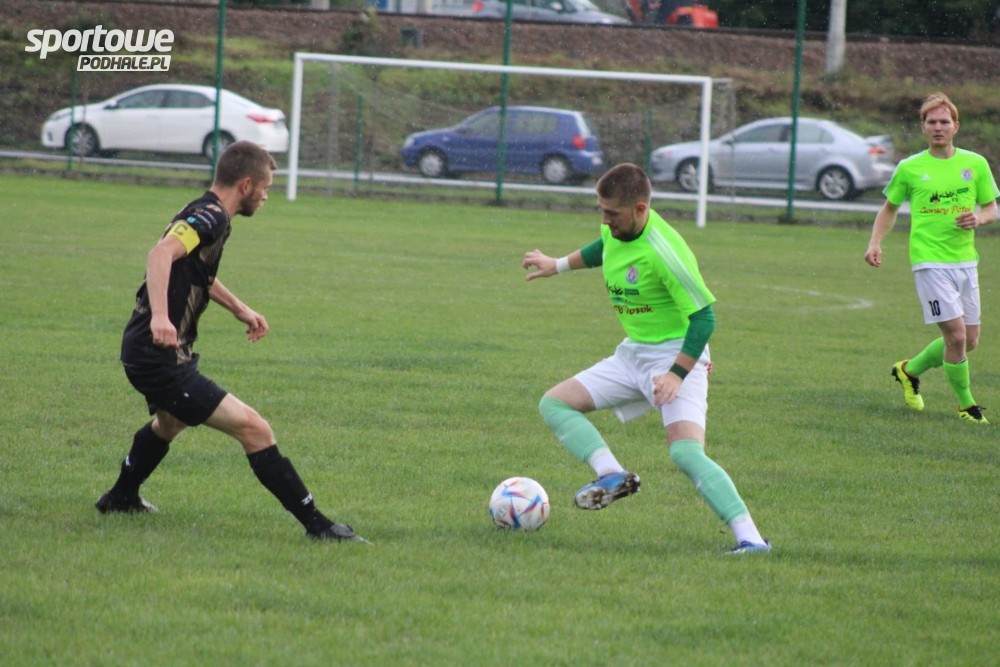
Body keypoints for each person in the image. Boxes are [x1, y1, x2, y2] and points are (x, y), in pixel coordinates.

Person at [96, 140, 365, 542]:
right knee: (255, 429)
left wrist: (239, 308)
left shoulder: (202, 210)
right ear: (246, 185)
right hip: (158, 356)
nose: (266, 196)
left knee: (170, 422)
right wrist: (161, 317)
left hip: (149, 351)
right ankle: (318, 526)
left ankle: (120, 497)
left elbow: (196, 270)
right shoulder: (212, 217)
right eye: (266, 188)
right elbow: (160, 255)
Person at [522, 163, 770, 554]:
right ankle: (611, 474)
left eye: (612, 213)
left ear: (640, 209)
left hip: (676, 356)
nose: (605, 220)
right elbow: (604, 247)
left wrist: (676, 373)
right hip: (633, 354)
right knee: (554, 403)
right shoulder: (615, 229)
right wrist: (558, 265)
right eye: (601, 211)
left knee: (685, 452)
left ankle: (751, 539)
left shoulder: (665, 252)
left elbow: (705, 318)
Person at [864, 92, 998, 424]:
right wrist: (875, 242)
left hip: (965, 261)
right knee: (956, 336)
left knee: (970, 340)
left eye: (944, 122)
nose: (938, 127)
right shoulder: (910, 168)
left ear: (956, 126)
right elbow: (889, 208)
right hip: (929, 261)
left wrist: (978, 218)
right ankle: (966, 406)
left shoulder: (975, 164)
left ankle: (908, 370)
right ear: (923, 127)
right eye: (932, 122)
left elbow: (991, 208)